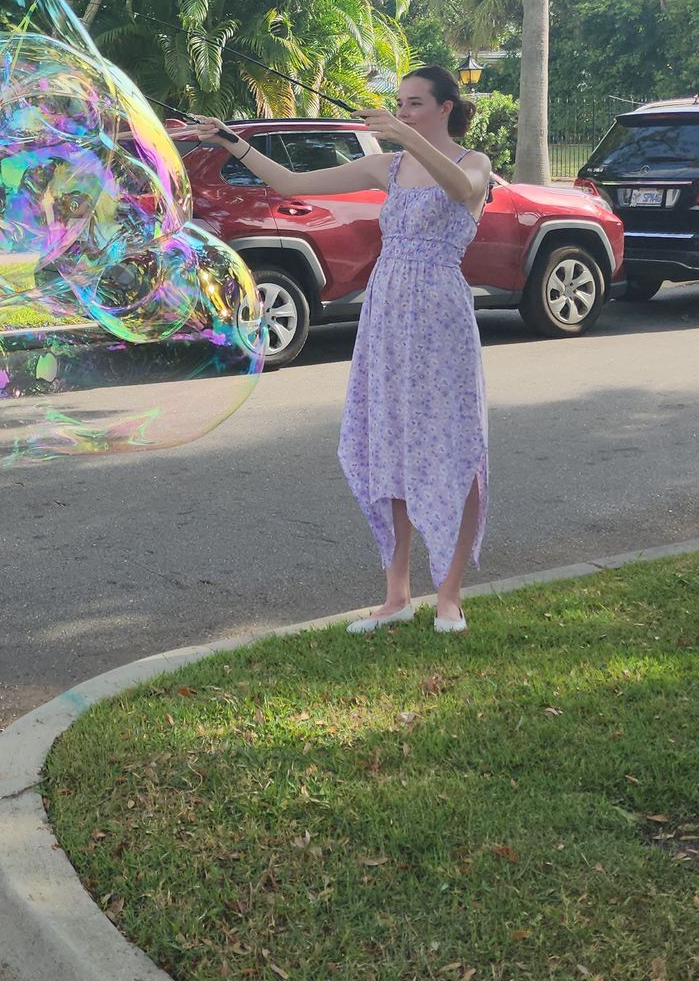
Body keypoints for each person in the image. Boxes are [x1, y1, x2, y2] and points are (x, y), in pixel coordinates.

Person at [177, 68, 490, 634]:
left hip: (441, 318)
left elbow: (461, 191)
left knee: (455, 446)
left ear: (446, 108)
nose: (405, 111)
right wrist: (231, 140)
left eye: (416, 104)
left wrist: (403, 132)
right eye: (400, 104)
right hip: (385, 317)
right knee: (389, 444)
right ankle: (397, 596)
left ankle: (449, 596)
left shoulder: (472, 164)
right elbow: (294, 184)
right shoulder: (387, 165)